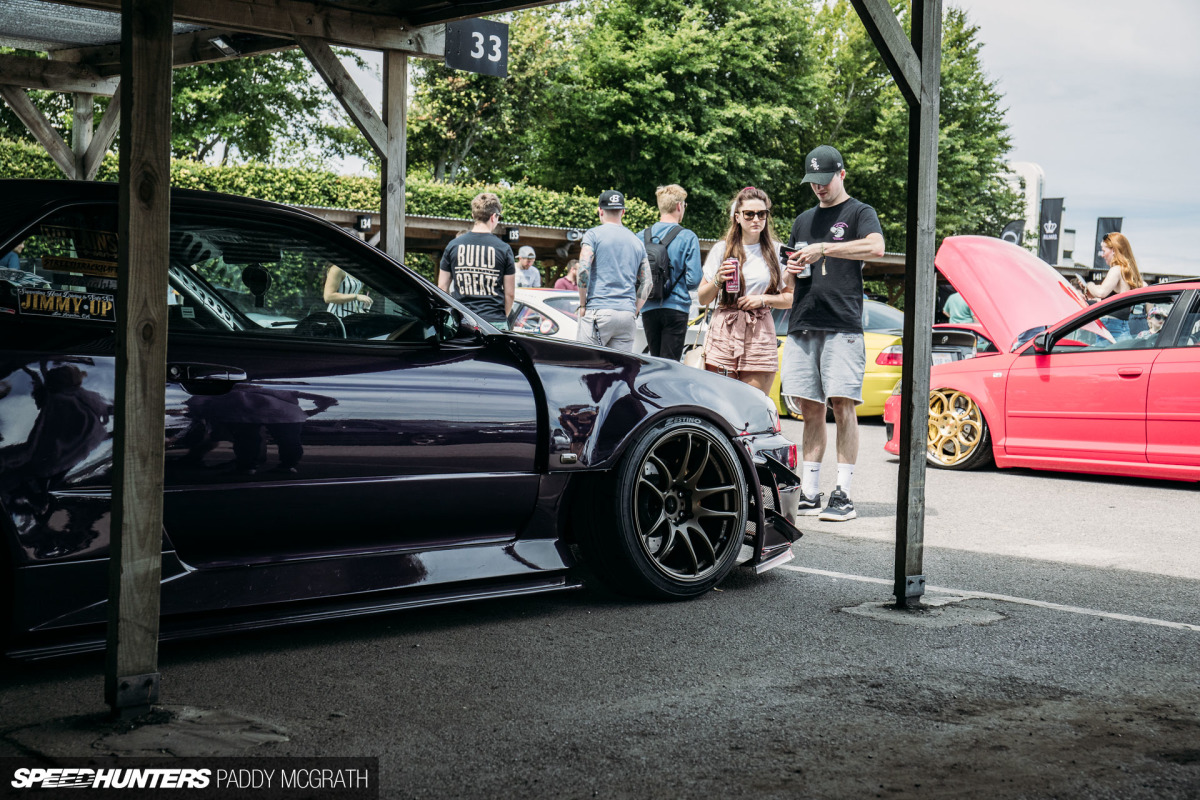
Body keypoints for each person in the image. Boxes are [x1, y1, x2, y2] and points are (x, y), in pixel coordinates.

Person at [781, 145, 885, 523]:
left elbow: (877, 247)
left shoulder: (859, 212)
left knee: (842, 405)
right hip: (803, 320)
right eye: (813, 183)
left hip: (842, 323)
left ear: (841, 174)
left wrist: (825, 248)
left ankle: (844, 494)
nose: (819, 188)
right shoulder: (803, 220)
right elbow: (792, 276)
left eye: (824, 181)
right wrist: (791, 265)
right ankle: (810, 491)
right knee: (809, 408)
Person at [696, 187, 791, 392]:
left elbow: (791, 298)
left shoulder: (777, 251)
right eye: (749, 214)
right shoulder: (722, 249)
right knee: (720, 403)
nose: (756, 219)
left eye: (762, 214)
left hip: (760, 331)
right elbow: (702, 299)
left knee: (753, 403)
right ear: (737, 217)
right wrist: (717, 280)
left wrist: (764, 299)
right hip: (724, 329)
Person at [576, 190, 650, 352]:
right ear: (623, 212)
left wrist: (583, 305)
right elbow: (647, 282)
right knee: (619, 372)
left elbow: (583, 270)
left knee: (586, 366)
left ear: (600, 211)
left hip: (598, 310)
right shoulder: (637, 242)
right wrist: (634, 310)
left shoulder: (593, 235)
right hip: (627, 316)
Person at [638, 184, 703, 361]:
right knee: (670, 364)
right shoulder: (688, 236)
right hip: (676, 307)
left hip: (648, 307)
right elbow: (694, 280)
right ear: (679, 206)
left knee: (655, 359)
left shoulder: (640, 236)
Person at [438, 192, 516, 329]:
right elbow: (510, 293)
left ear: (474, 215)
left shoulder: (453, 246)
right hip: (494, 321)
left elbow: (442, 288)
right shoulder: (504, 249)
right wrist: (503, 316)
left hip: (462, 321)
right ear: (493, 217)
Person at [1072, 231, 1144, 340]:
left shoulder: (1116, 269)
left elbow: (1101, 292)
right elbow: (1110, 299)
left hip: (1112, 328)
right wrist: (1088, 292)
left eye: (1103, 250)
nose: (1102, 254)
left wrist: (1089, 285)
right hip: (1120, 327)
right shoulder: (1126, 271)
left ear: (1114, 250)